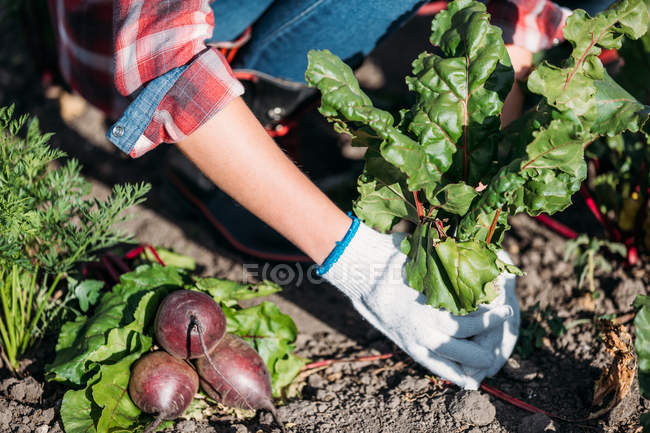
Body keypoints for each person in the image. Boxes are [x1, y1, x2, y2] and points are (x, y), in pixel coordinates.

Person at [48, 0, 578, 389]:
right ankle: (224, 150)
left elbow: (517, 23)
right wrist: (361, 263)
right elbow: (162, 62)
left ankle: (271, 107)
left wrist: (473, 218)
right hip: (126, 51)